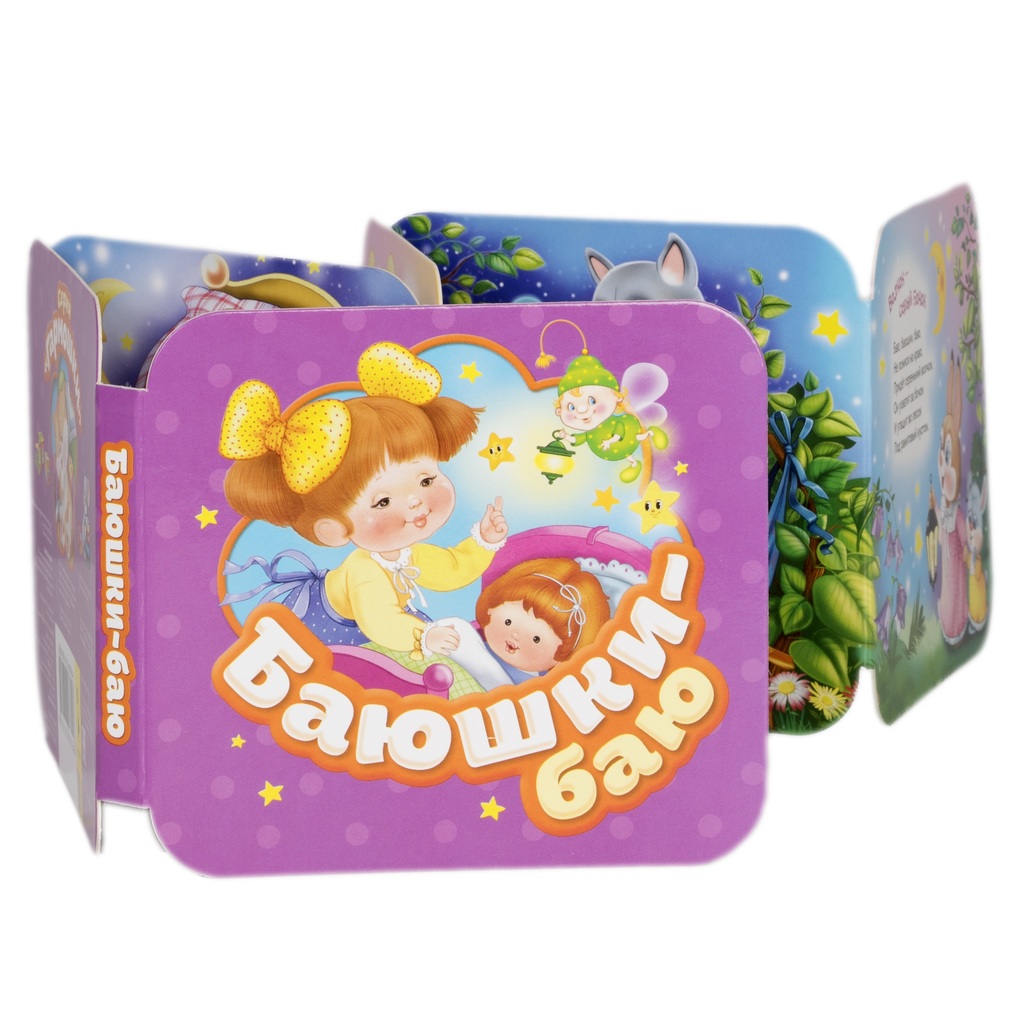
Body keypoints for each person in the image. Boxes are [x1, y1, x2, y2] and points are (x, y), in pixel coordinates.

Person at [220, 342, 508, 662]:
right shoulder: (365, 570)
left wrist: (484, 541)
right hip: (330, 636)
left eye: (426, 480)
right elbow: (380, 621)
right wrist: (424, 636)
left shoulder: (403, 554)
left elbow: (450, 569)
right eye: (382, 501)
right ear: (333, 529)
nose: (416, 502)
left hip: (383, 624)